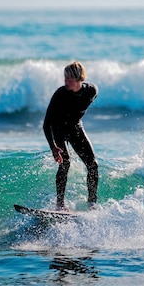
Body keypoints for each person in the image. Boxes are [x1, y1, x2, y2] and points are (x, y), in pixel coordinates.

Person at [43, 61, 99, 211]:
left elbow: (84, 103)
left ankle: (92, 203)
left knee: (93, 165)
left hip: (75, 128)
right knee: (65, 163)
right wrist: (53, 147)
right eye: (64, 78)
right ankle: (60, 204)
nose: (65, 81)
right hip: (59, 129)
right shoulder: (60, 94)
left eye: (68, 78)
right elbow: (46, 124)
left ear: (78, 78)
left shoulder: (91, 91)